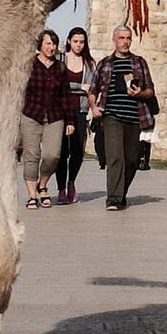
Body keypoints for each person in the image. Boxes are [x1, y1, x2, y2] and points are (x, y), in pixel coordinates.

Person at [89, 24, 156, 210]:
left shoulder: (139, 63)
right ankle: (114, 199)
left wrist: (140, 93)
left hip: (135, 117)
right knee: (115, 157)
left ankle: (120, 193)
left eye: (128, 38)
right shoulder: (105, 63)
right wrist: (94, 108)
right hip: (111, 116)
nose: (125, 42)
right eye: (121, 38)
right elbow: (93, 90)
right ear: (114, 40)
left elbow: (150, 91)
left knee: (132, 160)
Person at [18, 29, 72, 208]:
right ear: (40, 45)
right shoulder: (28, 64)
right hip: (31, 114)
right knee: (31, 155)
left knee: (52, 155)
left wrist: (70, 121)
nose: (52, 47)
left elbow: (66, 95)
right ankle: (32, 195)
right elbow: (19, 90)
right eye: (48, 43)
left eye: (54, 44)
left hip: (55, 116)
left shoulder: (61, 68)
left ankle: (43, 184)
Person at [57, 26, 92, 204]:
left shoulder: (88, 64)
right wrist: (79, 88)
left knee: (78, 151)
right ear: (69, 41)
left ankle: (71, 183)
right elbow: (59, 85)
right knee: (62, 151)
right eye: (75, 41)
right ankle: (61, 189)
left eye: (82, 42)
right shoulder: (60, 60)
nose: (78, 45)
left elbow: (91, 87)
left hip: (80, 110)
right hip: (61, 110)